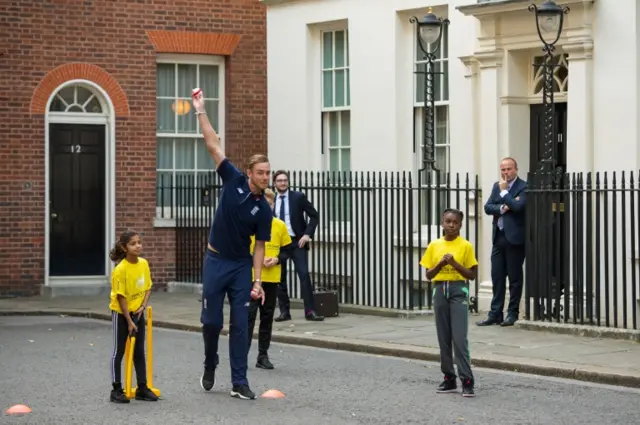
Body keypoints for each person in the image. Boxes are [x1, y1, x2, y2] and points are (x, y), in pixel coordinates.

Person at [191, 89, 273, 401]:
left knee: (241, 325)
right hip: (215, 262)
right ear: (250, 172)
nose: (266, 177)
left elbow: (260, 248)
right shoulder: (233, 179)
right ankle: (210, 362)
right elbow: (213, 144)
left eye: (268, 172)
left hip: (240, 266)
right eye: (261, 172)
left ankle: (239, 381)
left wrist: (257, 280)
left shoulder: (264, 210)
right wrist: (200, 110)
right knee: (211, 322)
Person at [420, 208, 478, 398]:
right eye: (448, 221)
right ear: (442, 223)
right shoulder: (434, 245)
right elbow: (428, 275)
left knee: (459, 339)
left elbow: (472, 274)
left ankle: (467, 381)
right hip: (439, 290)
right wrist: (440, 265)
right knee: (443, 338)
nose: (451, 225)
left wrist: (454, 264)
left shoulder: (466, 246)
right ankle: (449, 378)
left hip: (458, 290)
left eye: (455, 222)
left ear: (461, 225)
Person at [108, 230, 158, 403]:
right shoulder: (120, 269)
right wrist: (129, 322)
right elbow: (121, 297)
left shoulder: (143, 264)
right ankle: (116, 390)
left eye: (139, 242)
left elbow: (148, 287)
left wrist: (142, 307)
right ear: (124, 247)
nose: (138, 246)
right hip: (121, 314)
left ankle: (142, 388)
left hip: (137, 312)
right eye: (133, 243)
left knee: (139, 351)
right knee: (119, 351)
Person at [477, 157, 527, 327]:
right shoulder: (496, 186)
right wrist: (503, 207)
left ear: (516, 169)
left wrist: (505, 194)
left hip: (515, 239)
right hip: (499, 236)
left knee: (514, 277)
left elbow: (519, 207)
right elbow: (488, 207)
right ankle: (495, 313)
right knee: (497, 276)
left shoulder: (524, 187)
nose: (505, 173)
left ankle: (512, 313)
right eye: (503, 170)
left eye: (509, 169)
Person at [247, 188, 293, 370]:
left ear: (273, 205)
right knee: (249, 316)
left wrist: (276, 259)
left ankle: (262, 355)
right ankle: (242, 353)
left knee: (267, 317)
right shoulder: (250, 225)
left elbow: (288, 249)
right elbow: (242, 248)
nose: (267, 206)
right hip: (252, 277)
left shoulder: (280, 226)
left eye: (270, 203)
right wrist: (256, 258)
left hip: (272, 278)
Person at [272, 170, 324, 322]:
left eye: (285, 180)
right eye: (279, 180)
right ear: (274, 183)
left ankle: (310, 311)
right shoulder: (270, 199)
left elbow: (314, 215)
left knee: (304, 276)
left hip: (297, 242)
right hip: (279, 245)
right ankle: (284, 312)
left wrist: (307, 234)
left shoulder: (298, 197)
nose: (283, 183)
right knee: (279, 279)